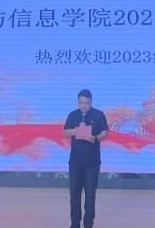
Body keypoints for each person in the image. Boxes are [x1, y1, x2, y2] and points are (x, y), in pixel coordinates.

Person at [63, 89, 109, 228]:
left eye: (86, 103)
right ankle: (75, 224)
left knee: (90, 196)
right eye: (81, 103)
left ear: (91, 102)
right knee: (74, 195)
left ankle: (88, 224)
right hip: (75, 163)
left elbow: (105, 132)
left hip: (92, 163)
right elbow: (65, 132)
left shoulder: (99, 115)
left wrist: (95, 138)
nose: (83, 106)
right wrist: (77, 130)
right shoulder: (72, 115)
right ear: (78, 102)